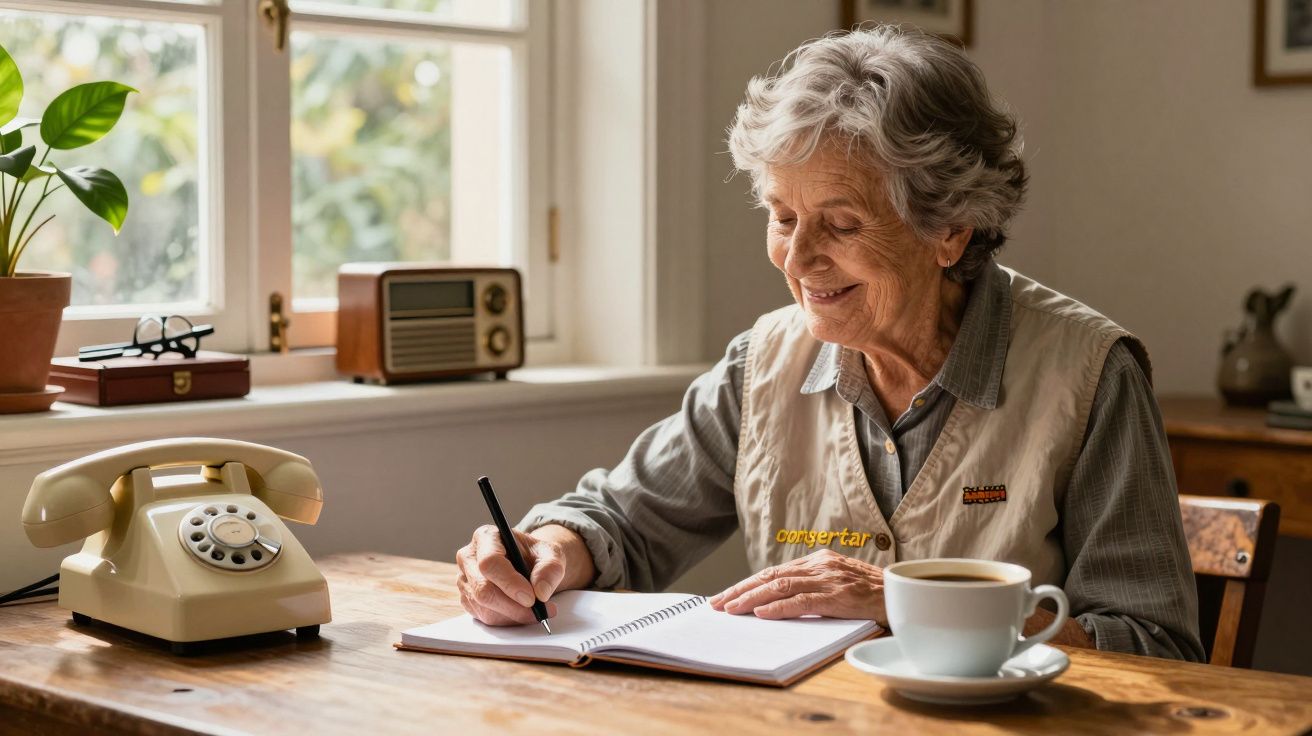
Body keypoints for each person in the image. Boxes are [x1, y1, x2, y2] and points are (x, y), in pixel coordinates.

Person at [455, 26, 1204, 660]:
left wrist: (909, 605)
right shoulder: (763, 364)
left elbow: (1156, 645)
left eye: (841, 224)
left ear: (949, 229)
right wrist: (545, 551)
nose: (798, 258)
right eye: (783, 217)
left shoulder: (1088, 374)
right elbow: (620, 522)